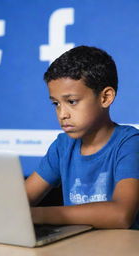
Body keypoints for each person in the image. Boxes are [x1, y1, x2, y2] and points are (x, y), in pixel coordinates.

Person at [25, 46, 139, 229]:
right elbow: (19, 200)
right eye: (56, 103)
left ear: (105, 97)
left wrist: (35, 215)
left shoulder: (129, 143)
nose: (62, 114)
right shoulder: (63, 146)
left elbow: (121, 215)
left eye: (71, 102)